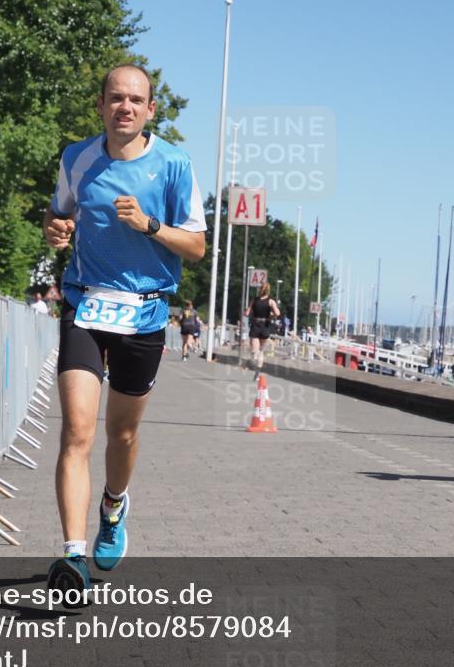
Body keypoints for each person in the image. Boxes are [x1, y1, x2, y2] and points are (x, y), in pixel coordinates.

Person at [42, 64, 206, 590]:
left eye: (136, 100)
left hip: (146, 311)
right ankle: (73, 556)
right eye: (116, 98)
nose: (125, 108)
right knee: (76, 431)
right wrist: (57, 230)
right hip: (85, 304)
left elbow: (198, 248)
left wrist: (150, 226)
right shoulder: (78, 157)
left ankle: (113, 506)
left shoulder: (175, 165)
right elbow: (56, 215)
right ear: (101, 105)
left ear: (151, 110)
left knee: (123, 433)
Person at [245, 282, 281, 375]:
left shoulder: (254, 300)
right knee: (261, 351)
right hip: (265, 326)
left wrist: (248, 310)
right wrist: (271, 316)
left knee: (254, 350)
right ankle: (258, 371)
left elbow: (246, 313)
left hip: (256, 325)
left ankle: (254, 361)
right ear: (268, 291)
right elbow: (277, 313)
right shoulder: (271, 301)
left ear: (260, 290)